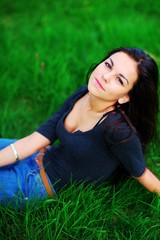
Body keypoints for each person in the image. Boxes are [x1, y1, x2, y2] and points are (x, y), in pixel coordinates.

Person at [0, 47, 160, 206]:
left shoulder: (118, 130)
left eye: (119, 80)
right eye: (108, 65)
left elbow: (141, 172)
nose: (105, 76)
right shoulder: (83, 94)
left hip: (36, 183)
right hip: (37, 155)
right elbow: (39, 138)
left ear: (125, 97)